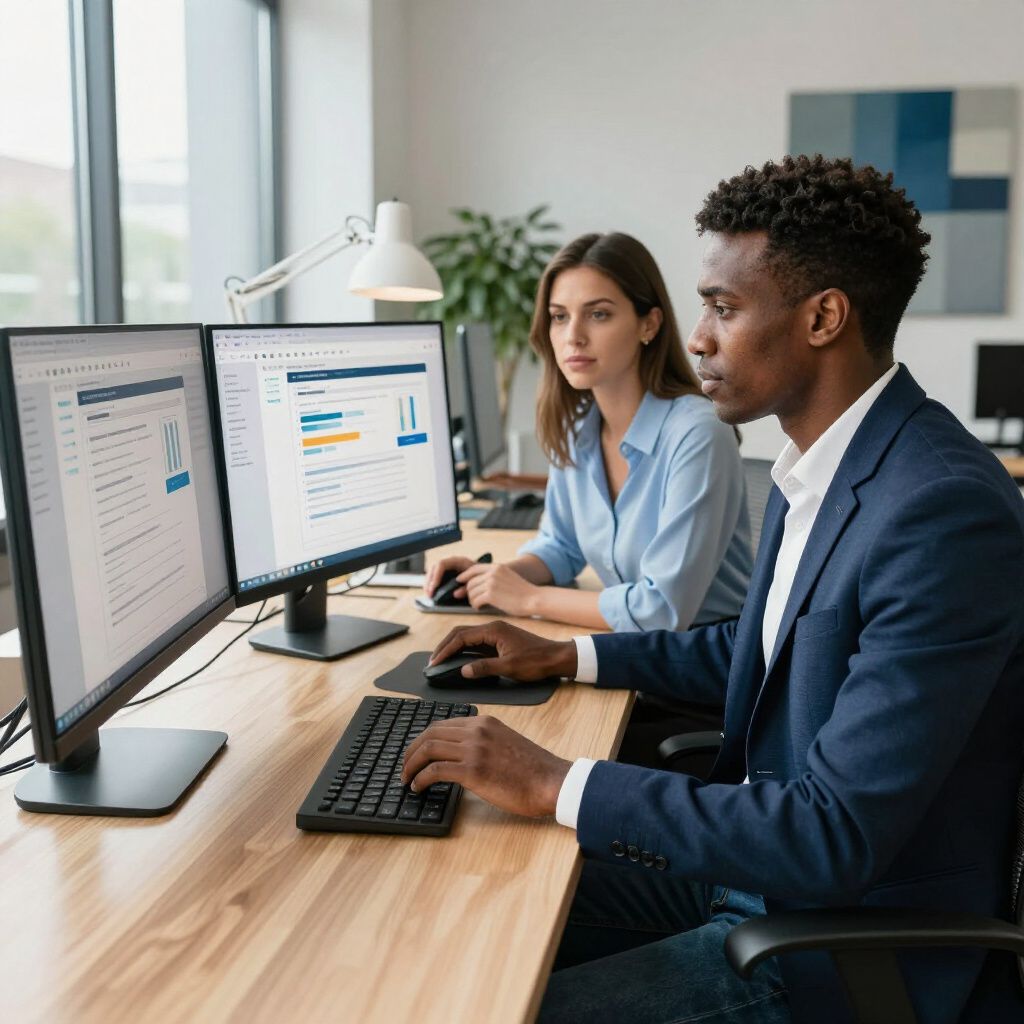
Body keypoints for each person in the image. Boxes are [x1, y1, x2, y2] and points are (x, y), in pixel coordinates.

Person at [401, 156, 1024, 1023]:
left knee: (498, 996)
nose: (696, 338)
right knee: (466, 894)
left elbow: (831, 833)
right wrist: (565, 653)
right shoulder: (820, 464)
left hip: (839, 949)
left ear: (823, 318)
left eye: (724, 309)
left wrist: (554, 781)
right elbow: (756, 649)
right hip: (755, 880)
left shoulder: (939, 509)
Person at [425, 232, 752, 632]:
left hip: (706, 662)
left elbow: (660, 611)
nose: (572, 335)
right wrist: (490, 578)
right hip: (635, 649)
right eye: (559, 316)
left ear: (648, 324)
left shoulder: (697, 433)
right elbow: (560, 548)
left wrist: (527, 598)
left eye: (598, 314)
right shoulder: (578, 427)